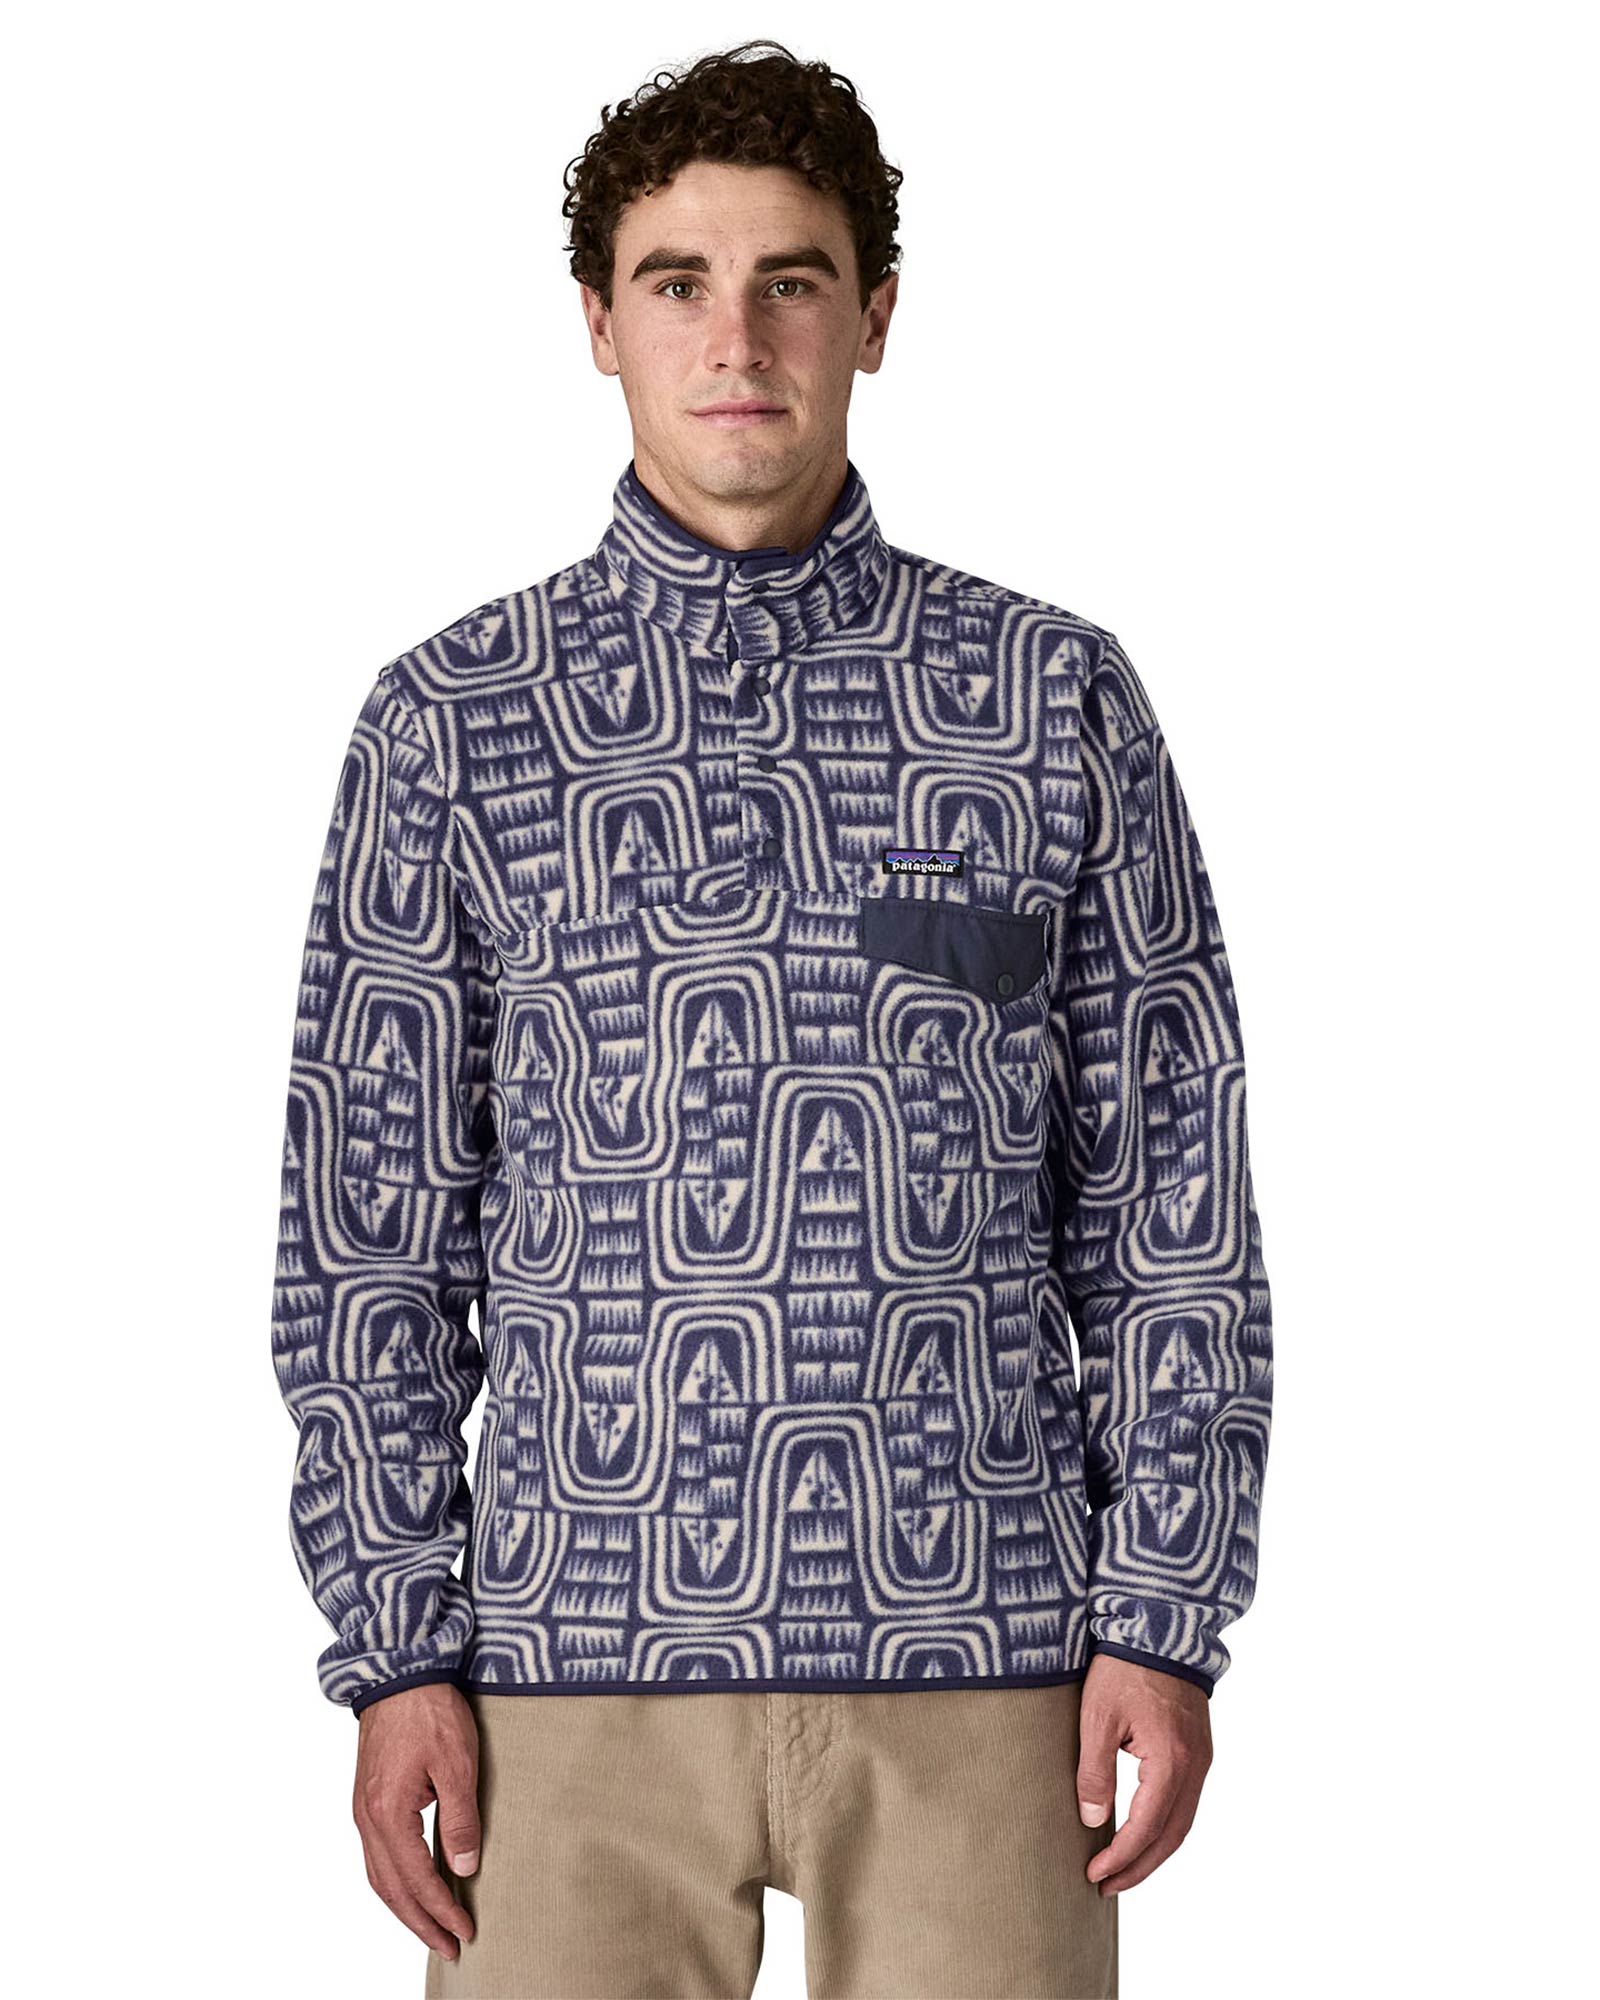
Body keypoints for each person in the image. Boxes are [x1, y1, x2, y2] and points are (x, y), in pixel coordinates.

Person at [269, 38, 1273, 2000]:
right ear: (598, 325)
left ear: (874, 316)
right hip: (564, 1665)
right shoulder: (453, 720)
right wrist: (393, 1648)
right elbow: (370, 1233)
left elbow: (1170, 1200)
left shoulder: (1047, 698)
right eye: (677, 282)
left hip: (989, 1657)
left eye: (790, 280)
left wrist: (1164, 1607)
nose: (735, 338)